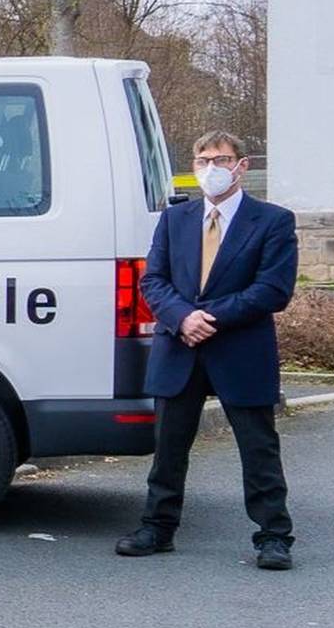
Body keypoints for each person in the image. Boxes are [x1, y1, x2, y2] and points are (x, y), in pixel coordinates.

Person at [118, 130, 300, 570]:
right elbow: (153, 280)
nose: (210, 168)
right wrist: (183, 318)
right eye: (202, 160)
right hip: (179, 347)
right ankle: (157, 528)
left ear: (242, 165)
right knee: (169, 448)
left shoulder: (273, 221)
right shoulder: (174, 219)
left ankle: (273, 536)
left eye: (220, 159)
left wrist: (207, 318)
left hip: (240, 349)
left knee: (258, 448)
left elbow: (273, 290)